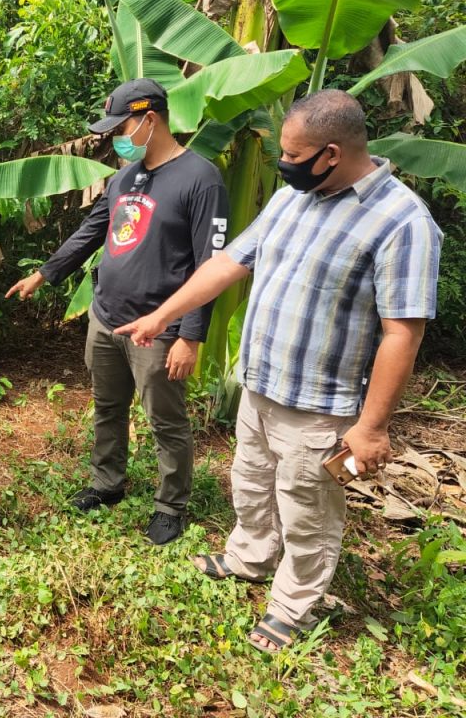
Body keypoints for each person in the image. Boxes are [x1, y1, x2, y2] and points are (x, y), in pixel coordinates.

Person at [118, 90, 443, 652]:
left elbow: (401, 332)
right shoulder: (294, 200)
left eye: (293, 156)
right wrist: (163, 315)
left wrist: (371, 428)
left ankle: (295, 603)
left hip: (320, 402)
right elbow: (227, 263)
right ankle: (250, 556)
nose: (284, 165)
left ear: (333, 154)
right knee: (250, 483)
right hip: (262, 383)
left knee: (307, 507)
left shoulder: (403, 221)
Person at [6, 78, 229, 545]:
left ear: (151, 119)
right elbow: (93, 229)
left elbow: (211, 263)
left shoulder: (201, 178)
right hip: (106, 317)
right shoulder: (126, 175)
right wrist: (45, 273)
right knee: (108, 408)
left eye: (121, 126)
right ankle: (107, 484)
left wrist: (190, 335)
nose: (115, 138)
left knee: (167, 421)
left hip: (158, 328)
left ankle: (171, 506)